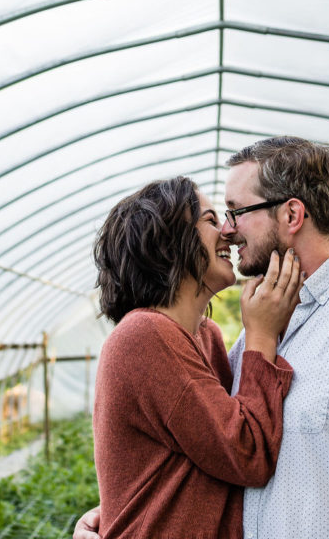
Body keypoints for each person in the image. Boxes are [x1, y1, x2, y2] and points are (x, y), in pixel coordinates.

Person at [75, 138, 329, 539]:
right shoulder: (256, 335)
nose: (228, 229)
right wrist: (122, 508)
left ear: (292, 214)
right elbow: (211, 449)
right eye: (218, 217)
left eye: (236, 212)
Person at [88, 175, 302, 539]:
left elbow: (200, 455)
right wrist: (261, 335)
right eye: (210, 219)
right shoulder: (143, 336)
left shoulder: (206, 337)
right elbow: (245, 452)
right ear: (168, 242)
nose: (228, 232)